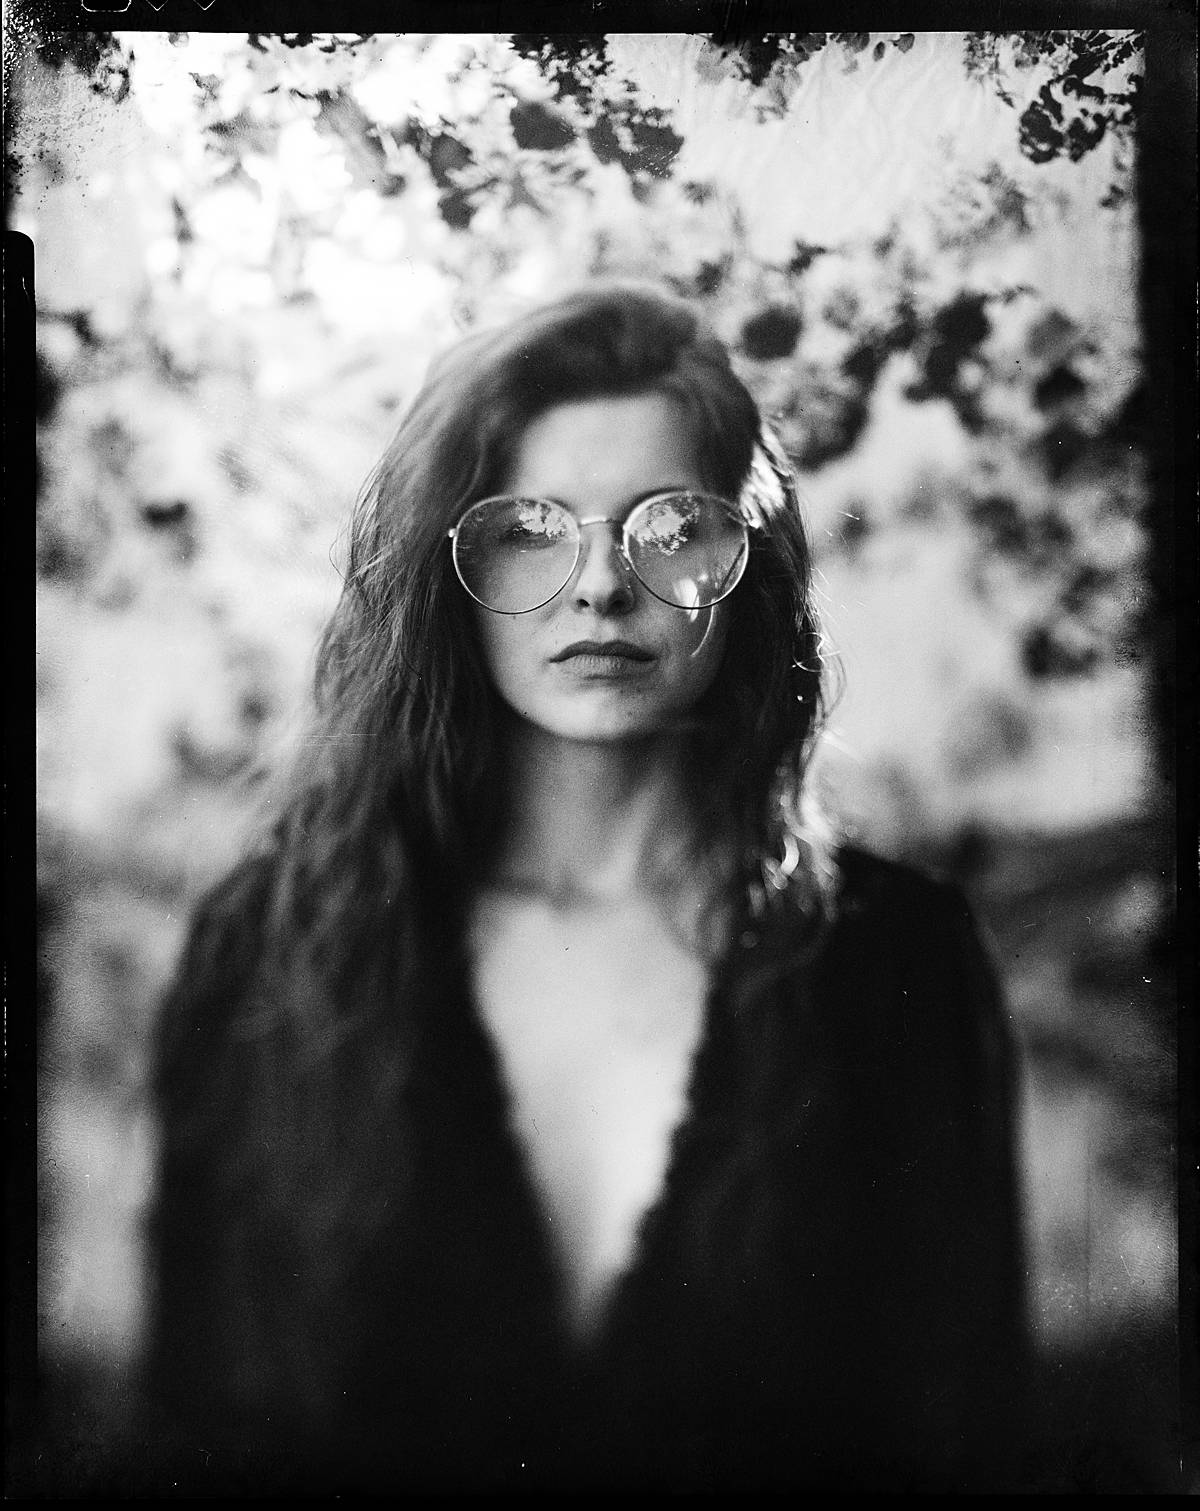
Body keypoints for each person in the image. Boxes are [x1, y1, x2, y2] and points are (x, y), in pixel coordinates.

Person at [144, 284, 1030, 1492]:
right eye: (527, 526)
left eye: (671, 526)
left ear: (748, 562)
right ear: (442, 568)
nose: (604, 584)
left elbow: (966, 1424)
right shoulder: (269, 947)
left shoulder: (898, 956)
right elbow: (197, 1418)